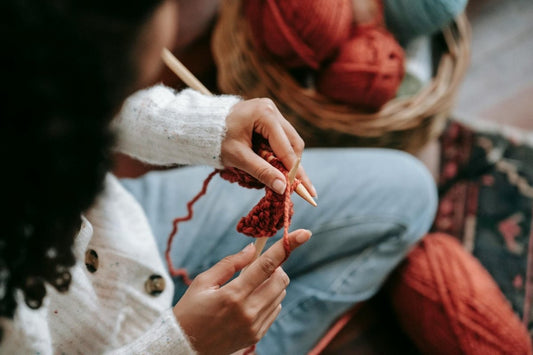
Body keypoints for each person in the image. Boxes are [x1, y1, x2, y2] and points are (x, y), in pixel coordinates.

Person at [0, 0, 437, 353]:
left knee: (409, 194)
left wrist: (213, 127)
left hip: (122, 236)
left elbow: (81, 98)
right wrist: (183, 343)